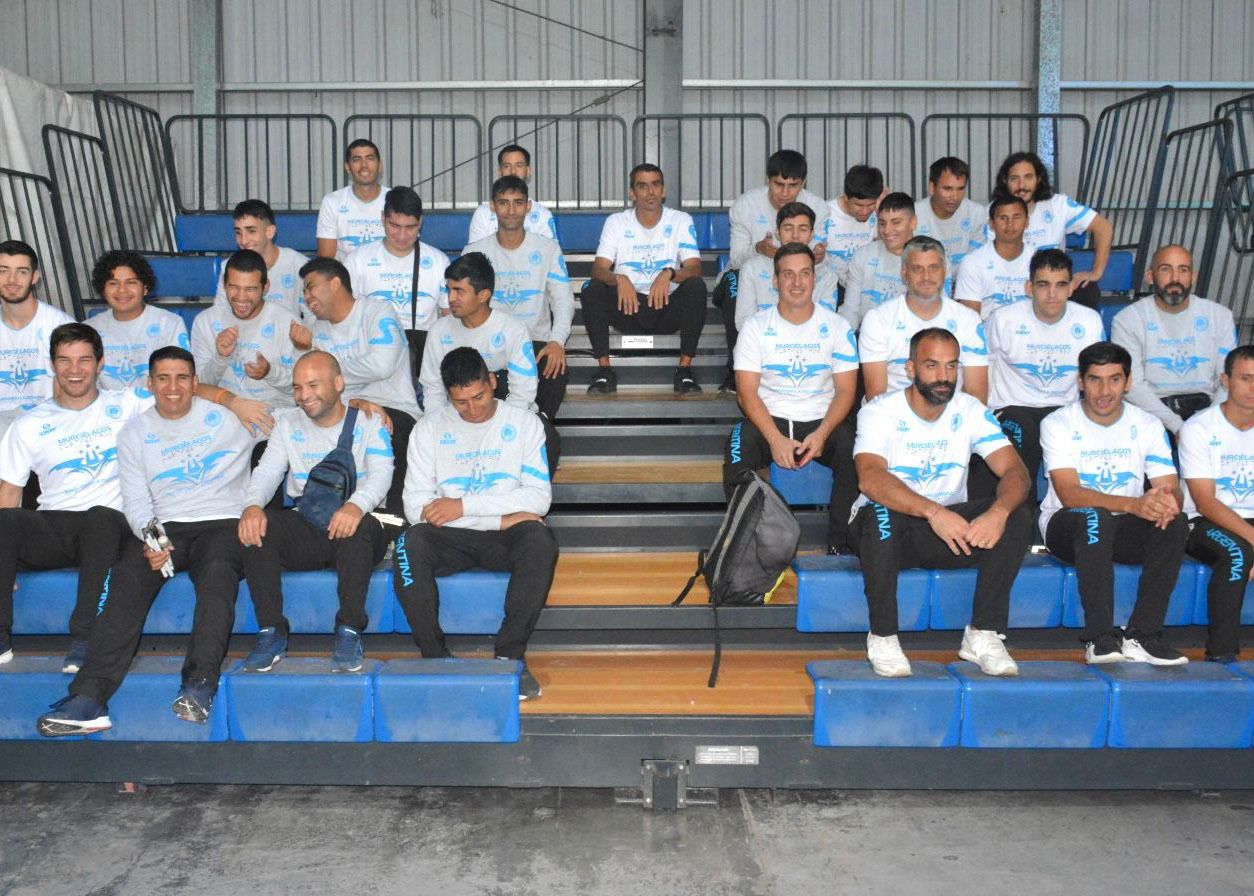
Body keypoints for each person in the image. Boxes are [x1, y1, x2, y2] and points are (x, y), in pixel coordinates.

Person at [37, 346, 253, 735]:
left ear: (195, 383)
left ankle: (199, 685)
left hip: (222, 522)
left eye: (182, 378)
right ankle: (89, 698)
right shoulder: (134, 433)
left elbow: (292, 423)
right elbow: (135, 501)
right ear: (150, 383)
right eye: (163, 378)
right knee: (128, 574)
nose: (173, 387)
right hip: (166, 527)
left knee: (218, 573)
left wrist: (360, 406)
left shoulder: (227, 419)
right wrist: (154, 540)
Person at [850, 328, 1031, 677]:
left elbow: (1016, 471)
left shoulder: (970, 409)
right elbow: (870, 478)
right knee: (881, 514)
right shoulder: (880, 411)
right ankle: (883, 636)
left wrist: (998, 512)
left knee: (1016, 515)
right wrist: (933, 512)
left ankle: (983, 633)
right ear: (910, 368)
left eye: (951, 366)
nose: (944, 376)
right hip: (888, 532)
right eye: (932, 365)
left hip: (948, 534)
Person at [392, 347, 557, 701]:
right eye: (461, 402)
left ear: (492, 382)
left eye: (479, 396)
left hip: (503, 538)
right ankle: (434, 657)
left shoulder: (525, 424)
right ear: (448, 396)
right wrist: (503, 516)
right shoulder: (427, 429)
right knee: (408, 543)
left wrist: (463, 506)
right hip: (451, 537)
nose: (473, 408)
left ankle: (510, 657)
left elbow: (539, 498)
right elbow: (415, 507)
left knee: (540, 540)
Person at [238, 351, 393, 673]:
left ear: (339, 383)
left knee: (359, 528)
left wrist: (355, 506)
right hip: (308, 520)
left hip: (362, 523)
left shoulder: (369, 421)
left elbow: (381, 475)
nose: (304, 395)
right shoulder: (287, 423)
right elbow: (267, 472)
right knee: (259, 528)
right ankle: (271, 631)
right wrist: (252, 506)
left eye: (313, 385)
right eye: (297, 387)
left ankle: (349, 631)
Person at [0, 324, 144, 670]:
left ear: (100, 363)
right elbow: (9, 492)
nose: (74, 370)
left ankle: (85, 637)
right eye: (64, 360)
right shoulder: (29, 423)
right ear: (52, 364)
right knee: (5, 520)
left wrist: (233, 402)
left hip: (112, 525)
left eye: (84, 360)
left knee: (100, 517)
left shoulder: (127, 404)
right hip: (57, 525)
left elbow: (179, 394)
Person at [1039, 340, 1189, 666]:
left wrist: (1166, 501)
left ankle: (1143, 636)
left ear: (1128, 382)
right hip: (1067, 525)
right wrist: (1135, 504)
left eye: (1114, 379)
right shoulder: (1058, 423)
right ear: (1080, 382)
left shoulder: (1147, 424)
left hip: (1122, 526)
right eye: (1095, 379)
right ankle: (1100, 637)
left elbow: (1170, 487)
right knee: (1096, 517)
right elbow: (1069, 494)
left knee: (1175, 521)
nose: (1104, 391)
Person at [723, 243, 860, 553]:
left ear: (815, 278)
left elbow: (846, 392)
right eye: (788, 274)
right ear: (775, 281)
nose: (797, 283)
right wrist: (775, 439)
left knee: (855, 449)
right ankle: (748, 549)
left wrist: (822, 434)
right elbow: (746, 393)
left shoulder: (838, 327)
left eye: (804, 274)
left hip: (821, 421)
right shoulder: (755, 327)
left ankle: (840, 545)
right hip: (770, 420)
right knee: (737, 447)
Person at [296, 257, 420, 515]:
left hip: (393, 406)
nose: (306, 297)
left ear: (335, 283)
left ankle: (393, 523)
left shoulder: (377, 311)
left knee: (386, 428)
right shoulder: (314, 330)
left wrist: (329, 370)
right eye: (304, 291)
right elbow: (309, 386)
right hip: (343, 409)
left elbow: (382, 365)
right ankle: (318, 516)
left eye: (310, 287)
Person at [420, 253, 559, 470]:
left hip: (506, 413)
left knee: (547, 436)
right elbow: (433, 391)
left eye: (459, 291)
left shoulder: (512, 329)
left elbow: (523, 393)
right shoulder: (439, 331)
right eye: (449, 290)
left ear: (483, 295)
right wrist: (441, 427)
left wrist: (496, 429)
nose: (451, 298)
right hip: (459, 413)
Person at [581, 164, 708, 395]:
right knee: (592, 288)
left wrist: (670, 273)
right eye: (642, 186)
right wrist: (619, 279)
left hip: (665, 306)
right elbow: (598, 270)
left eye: (655, 185)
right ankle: (604, 370)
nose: (650, 192)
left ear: (664, 190)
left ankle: (684, 370)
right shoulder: (617, 222)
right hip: (628, 307)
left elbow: (694, 268)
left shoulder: (680, 220)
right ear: (632, 193)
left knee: (696, 286)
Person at [984, 249, 1103, 492]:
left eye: (1060, 285)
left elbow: (1098, 375)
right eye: (1043, 285)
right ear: (1029, 288)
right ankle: (1021, 510)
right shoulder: (1003, 319)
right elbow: (980, 369)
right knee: (1023, 430)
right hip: (1012, 406)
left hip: (1064, 408)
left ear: (1071, 288)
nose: (1052, 294)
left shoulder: (1089, 321)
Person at [465, 176, 574, 421]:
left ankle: (540, 424)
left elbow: (562, 300)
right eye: (504, 203)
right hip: (488, 343)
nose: (511, 210)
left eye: (518, 203)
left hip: (535, 342)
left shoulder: (548, 249)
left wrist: (557, 341)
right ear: (493, 206)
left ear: (528, 206)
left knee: (555, 363)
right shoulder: (474, 251)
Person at [1178, 343, 1254, 662]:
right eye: (1246, 378)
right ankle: (1222, 655)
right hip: (1203, 522)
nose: (1253, 388)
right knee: (1237, 553)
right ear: (1225, 380)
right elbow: (1205, 502)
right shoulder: (1199, 428)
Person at [1110, 244, 1236, 436]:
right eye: (1165, 269)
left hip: (1209, 412)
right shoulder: (1127, 319)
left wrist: (1209, 423)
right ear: (1150, 276)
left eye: (1183, 270)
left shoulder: (1220, 316)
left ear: (1193, 277)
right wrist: (1178, 426)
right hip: (1151, 415)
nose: (1175, 278)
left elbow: (1227, 380)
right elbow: (1132, 386)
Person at [719, 202, 841, 394]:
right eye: (788, 228)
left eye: (803, 229)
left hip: (810, 353)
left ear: (812, 233)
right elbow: (743, 322)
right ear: (777, 232)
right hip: (764, 352)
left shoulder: (827, 275)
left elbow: (825, 327)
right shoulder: (752, 268)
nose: (795, 235)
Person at [858, 236, 988, 403]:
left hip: (952, 414)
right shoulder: (877, 319)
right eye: (917, 269)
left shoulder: (968, 319)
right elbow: (877, 397)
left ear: (945, 271)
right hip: (892, 413)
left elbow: (977, 395)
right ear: (904, 273)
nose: (926, 276)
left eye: (934, 268)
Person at [190, 250, 301, 428]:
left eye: (250, 289)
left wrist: (269, 372)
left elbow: (300, 389)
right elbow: (198, 386)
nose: (241, 297)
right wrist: (221, 357)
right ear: (224, 284)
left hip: (273, 418)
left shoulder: (288, 322)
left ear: (265, 287)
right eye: (234, 287)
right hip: (222, 415)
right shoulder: (205, 321)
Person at [342, 186, 449, 363]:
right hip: (370, 353)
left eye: (410, 227)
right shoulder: (357, 260)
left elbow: (450, 318)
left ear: (421, 222)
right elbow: (344, 317)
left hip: (421, 357)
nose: (402, 236)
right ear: (382, 218)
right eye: (395, 226)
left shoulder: (439, 262)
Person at [992, 151, 1113, 307]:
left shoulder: (1058, 205)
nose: (1022, 186)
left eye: (1028, 177)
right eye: (1014, 179)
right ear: (1005, 181)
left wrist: (1096, 272)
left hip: (1052, 287)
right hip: (1011, 288)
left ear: (1039, 178)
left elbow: (1103, 227)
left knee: (1086, 289)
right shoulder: (994, 213)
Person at [0, 240, 73, 419]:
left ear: (35, 277)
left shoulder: (61, 326)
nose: (12, 280)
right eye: (3, 271)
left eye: (22, 271)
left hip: (49, 422)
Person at [728, 149, 830, 269]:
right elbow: (735, 261)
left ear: (803, 183)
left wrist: (819, 257)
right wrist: (758, 249)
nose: (785, 193)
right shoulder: (745, 206)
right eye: (779, 184)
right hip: (753, 276)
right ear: (768, 180)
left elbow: (821, 258)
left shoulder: (818, 207)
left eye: (793, 185)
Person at [212, 199, 309, 322]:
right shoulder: (229, 266)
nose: (244, 241)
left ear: (270, 232)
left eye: (251, 231)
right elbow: (219, 314)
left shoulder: (299, 265)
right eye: (238, 232)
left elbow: (313, 318)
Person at [841, 192, 923, 329]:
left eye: (896, 222)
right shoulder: (863, 255)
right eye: (882, 223)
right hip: (868, 335)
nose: (887, 230)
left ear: (913, 222)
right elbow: (850, 312)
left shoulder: (930, 258)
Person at [954, 194, 1033, 319]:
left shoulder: (1039, 261)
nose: (1010, 224)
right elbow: (969, 321)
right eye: (1003, 218)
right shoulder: (972, 262)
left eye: (1016, 217)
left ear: (1027, 221)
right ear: (991, 224)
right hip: (986, 331)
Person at [467, 145, 559, 244]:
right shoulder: (483, 214)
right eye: (507, 166)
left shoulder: (542, 215)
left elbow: (550, 251)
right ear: (500, 172)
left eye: (519, 165)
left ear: (528, 171)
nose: (513, 171)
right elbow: (475, 253)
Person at [316, 138, 388, 260]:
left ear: (380, 165)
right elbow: (325, 260)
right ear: (348, 167)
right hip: (344, 272)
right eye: (356, 159)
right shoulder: (332, 202)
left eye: (370, 158)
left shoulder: (396, 199)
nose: (364, 165)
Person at [914, 157, 986, 275]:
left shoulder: (976, 213)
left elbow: (977, 261)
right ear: (932, 187)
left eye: (960, 189)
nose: (955, 196)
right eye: (947, 189)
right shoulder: (914, 214)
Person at [824, 164, 883, 286]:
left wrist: (883, 213)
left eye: (870, 204)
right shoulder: (824, 213)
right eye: (859, 205)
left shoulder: (879, 215)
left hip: (866, 285)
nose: (865, 211)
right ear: (846, 197)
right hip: (830, 287)